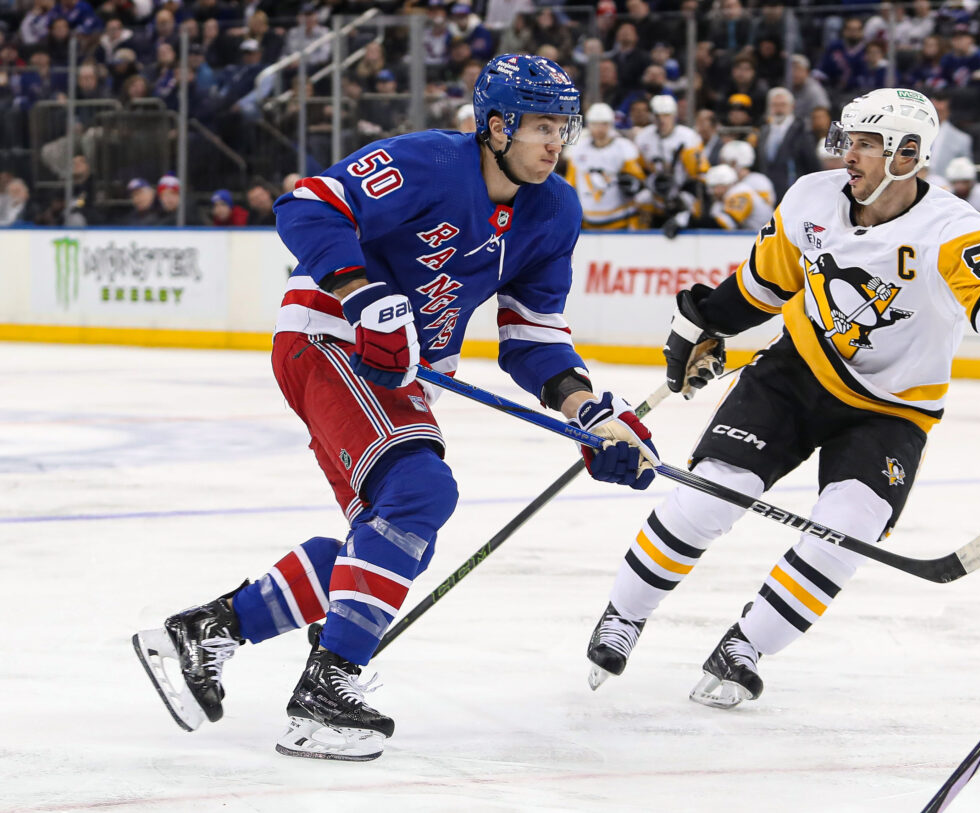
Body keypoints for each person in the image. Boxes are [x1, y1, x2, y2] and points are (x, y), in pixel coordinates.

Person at [133, 54, 658, 763]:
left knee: (382, 541)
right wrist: (363, 294)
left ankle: (206, 632)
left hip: (404, 374)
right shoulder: (429, 163)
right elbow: (309, 202)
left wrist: (590, 412)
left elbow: (532, 336)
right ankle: (328, 687)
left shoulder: (555, 209)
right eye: (540, 127)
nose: (554, 144)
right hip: (330, 335)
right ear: (496, 125)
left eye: (561, 129)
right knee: (420, 490)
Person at [585, 88, 980, 707]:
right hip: (794, 376)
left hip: (893, 410)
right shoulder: (811, 196)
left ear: (908, 153)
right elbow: (762, 284)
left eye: (866, 143)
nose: (849, 154)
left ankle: (745, 646)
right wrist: (704, 325)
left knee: (845, 531)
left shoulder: (952, 228)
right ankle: (625, 613)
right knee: (712, 497)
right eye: (849, 140)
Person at [564, 102, 646, 230]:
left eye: (604, 124)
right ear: (589, 125)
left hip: (621, 221)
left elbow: (639, 182)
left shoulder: (625, 148)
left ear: (611, 125)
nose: (599, 129)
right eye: (595, 124)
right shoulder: (578, 149)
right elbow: (571, 183)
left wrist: (632, 183)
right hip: (587, 221)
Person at [635, 93, 708, 229]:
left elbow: (700, 175)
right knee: (640, 198)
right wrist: (652, 182)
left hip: (681, 192)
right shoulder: (643, 137)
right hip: (655, 192)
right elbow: (641, 170)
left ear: (674, 116)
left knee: (692, 202)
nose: (662, 120)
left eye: (666, 115)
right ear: (652, 116)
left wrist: (682, 190)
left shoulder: (689, 138)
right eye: (658, 116)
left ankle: (685, 223)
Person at [754, 87, 818, 202]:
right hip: (769, 195)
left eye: (782, 105)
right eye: (774, 105)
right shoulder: (764, 131)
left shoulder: (802, 131)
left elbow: (812, 164)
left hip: (794, 193)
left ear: (791, 107)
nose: (779, 109)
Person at [695, 162, 774, 232]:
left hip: (766, 237)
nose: (714, 191)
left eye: (716, 186)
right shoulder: (720, 203)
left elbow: (727, 223)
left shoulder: (741, 192)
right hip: (755, 236)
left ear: (727, 184)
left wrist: (694, 222)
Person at [944, 156, 980, 227]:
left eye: (965, 182)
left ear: (972, 181)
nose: (960, 186)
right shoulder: (945, 195)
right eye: (956, 182)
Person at [719, 139, 776, 208]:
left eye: (726, 162)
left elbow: (766, 212)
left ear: (734, 162)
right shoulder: (732, 182)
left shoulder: (759, 181)